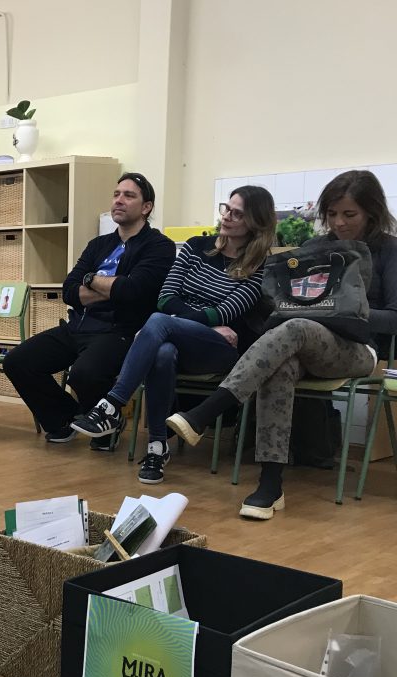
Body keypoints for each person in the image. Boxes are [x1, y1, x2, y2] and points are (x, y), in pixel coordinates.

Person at [167, 170, 397, 519]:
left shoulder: (390, 250)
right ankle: (270, 485)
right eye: (332, 214)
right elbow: (277, 302)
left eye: (349, 214)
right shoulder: (315, 248)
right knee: (282, 362)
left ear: (371, 212)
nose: (339, 222)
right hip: (305, 342)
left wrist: (343, 311)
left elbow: (393, 318)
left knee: (298, 327)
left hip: (360, 350)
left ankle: (206, 412)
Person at [71, 186, 276, 484]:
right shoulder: (195, 247)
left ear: (256, 222)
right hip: (183, 338)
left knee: (158, 322)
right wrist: (190, 322)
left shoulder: (260, 268)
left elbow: (225, 313)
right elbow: (165, 296)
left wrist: (180, 321)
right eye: (226, 208)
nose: (226, 217)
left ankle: (112, 405)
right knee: (163, 351)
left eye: (237, 214)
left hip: (218, 349)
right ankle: (157, 448)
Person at [2, 173, 176, 449]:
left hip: (120, 331)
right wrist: (108, 287)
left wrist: (92, 281)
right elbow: (70, 290)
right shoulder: (99, 245)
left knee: (83, 374)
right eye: (116, 194)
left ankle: (107, 427)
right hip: (78, 326)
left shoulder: (159, 246)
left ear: (146, 207)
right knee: (17, 361)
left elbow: (133, 291)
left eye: (129, 196)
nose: (119, 200)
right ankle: (66, 418)